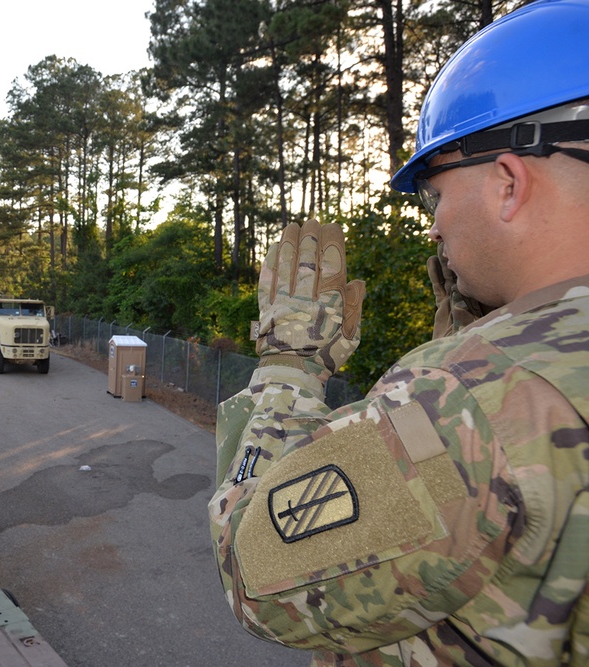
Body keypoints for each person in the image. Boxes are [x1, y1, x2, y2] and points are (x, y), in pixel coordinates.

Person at [209, 1, 589, 665]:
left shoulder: (466, 401)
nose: (435, 227)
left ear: (507, 181)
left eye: (436, 194)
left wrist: (290, 364)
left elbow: (253, 567)